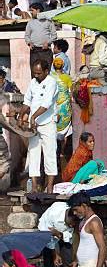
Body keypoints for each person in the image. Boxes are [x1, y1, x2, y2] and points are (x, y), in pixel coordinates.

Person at [17, 60, 58, 193]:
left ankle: (50, 186)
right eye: (34, 73)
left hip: (48, 123)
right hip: (33, 126)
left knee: (50, 154)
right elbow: (27, 100)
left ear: (46, 71)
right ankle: (34, 186)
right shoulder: (33, 82)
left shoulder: (51, 82)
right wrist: (21, 116)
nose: (36, 75)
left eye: (39, 73)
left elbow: (46, 104)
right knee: (33, 153)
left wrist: (33, 117)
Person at [38, 201, 77, 267]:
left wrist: (59, 234)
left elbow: (69, 237)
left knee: (68, 257)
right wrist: (55, 254)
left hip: (60, 233)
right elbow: (49, 239)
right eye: (71, 223)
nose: (72, 226)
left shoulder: (73, 216)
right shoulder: (52, 215)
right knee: (48, 259)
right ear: (68, 218)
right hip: (46, 231)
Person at [51, 57, 72, 158]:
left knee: (53, 130)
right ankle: (62, 153)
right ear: (63, 66)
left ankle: (54, 151)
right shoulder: (67, 78)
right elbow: (70, 92)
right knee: (66, 132)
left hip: (54, 107)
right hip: (65, 107)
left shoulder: (50, 77)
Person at [24, 3, 57, 70]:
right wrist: (29, 43)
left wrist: (47, 43)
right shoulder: (30, 22)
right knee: (34, 71)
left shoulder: (48, 21)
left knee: (46, 70)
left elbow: (54, 35)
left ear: (38, 10)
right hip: (34, 51)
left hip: (46, 51)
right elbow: (27, 35)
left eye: (32, 10)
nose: (31, 13)